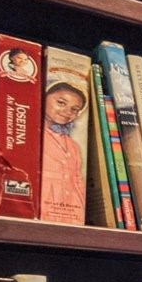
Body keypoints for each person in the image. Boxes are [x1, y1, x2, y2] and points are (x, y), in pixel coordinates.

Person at [40, 73, 88, 222]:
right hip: (43, 208)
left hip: (71, 212)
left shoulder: (73, 146)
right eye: (61, 103)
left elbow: (78, 182)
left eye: (74, 109)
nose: (68, 111)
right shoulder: (33, 135)